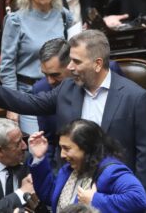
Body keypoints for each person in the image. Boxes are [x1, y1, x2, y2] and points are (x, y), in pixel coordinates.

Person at [0, 29, 146, 193]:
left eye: (77, 61)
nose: (70, 67)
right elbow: (30, 102)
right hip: (73, 187)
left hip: (117, 190)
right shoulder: (67, 89)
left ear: (98, 63)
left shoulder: (135, 97)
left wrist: (138, 197)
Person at [32, 38, 124, 169]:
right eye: (45, 74)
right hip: (69, 166)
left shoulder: (106, 71)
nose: (50, 81)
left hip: (111, 160)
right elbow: (49, 138)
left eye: (55, 74)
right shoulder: (41, 89)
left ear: (71, 64)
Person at [28, 119, 146, 213]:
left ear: (86, 148)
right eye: (61, 148)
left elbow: (139, 199)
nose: (62, 155)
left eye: (67, 148)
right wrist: (39, 158)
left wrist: (94, 200)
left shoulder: (111, 171)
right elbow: (50, 196)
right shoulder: (69, 169)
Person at [0, 0, 73, 134]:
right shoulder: (15, 20)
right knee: (39, 142)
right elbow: (7, 67)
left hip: (60, 91)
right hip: (29, 93)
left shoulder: (64, 16)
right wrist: (12, 105)